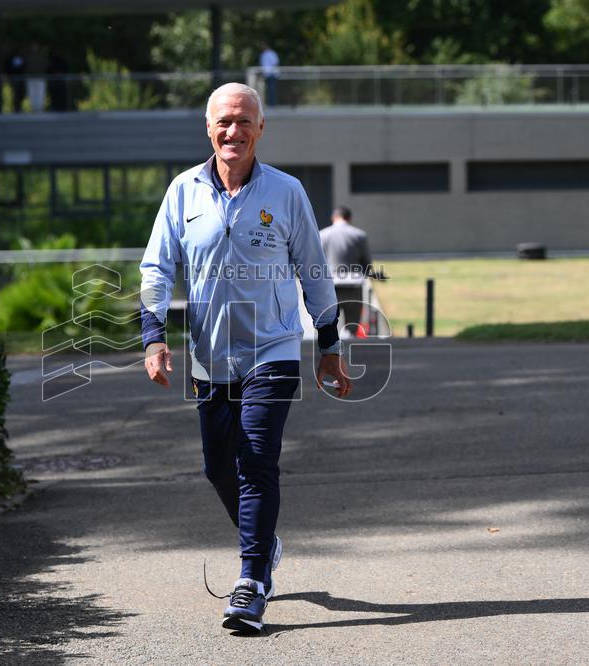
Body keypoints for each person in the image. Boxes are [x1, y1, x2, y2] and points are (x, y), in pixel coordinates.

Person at [139, 82, 352, 634]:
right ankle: (266, 543)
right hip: (210, 352)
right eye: (223, 122)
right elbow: (157, 268)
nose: (233, 131)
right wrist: (153, 336)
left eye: (244, 121)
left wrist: (329, 346)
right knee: (218, 465)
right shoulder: (182, 192)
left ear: (261, 129)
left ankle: (252, 581)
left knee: (255, 455)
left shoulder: (286, 192)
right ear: (208, 128)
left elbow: (313, 270)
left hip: (274, 347)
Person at [319, 206, 374, 336]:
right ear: (349, 218)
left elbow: (317, 262)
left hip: (330, 286)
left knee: (329, 327)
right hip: (353, 285)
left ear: (333, 218)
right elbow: (366, 263)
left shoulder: (322, 235)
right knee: (352, 327)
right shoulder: (359, 235)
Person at [258, 42, 279, 107]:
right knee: (268, 90)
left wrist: (269, 70)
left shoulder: (271, 53)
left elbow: (275, 63)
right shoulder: (262, 54)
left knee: (271, 89)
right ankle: (269, 103)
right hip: (266, 75)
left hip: (272, 74)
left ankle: (272, 104)